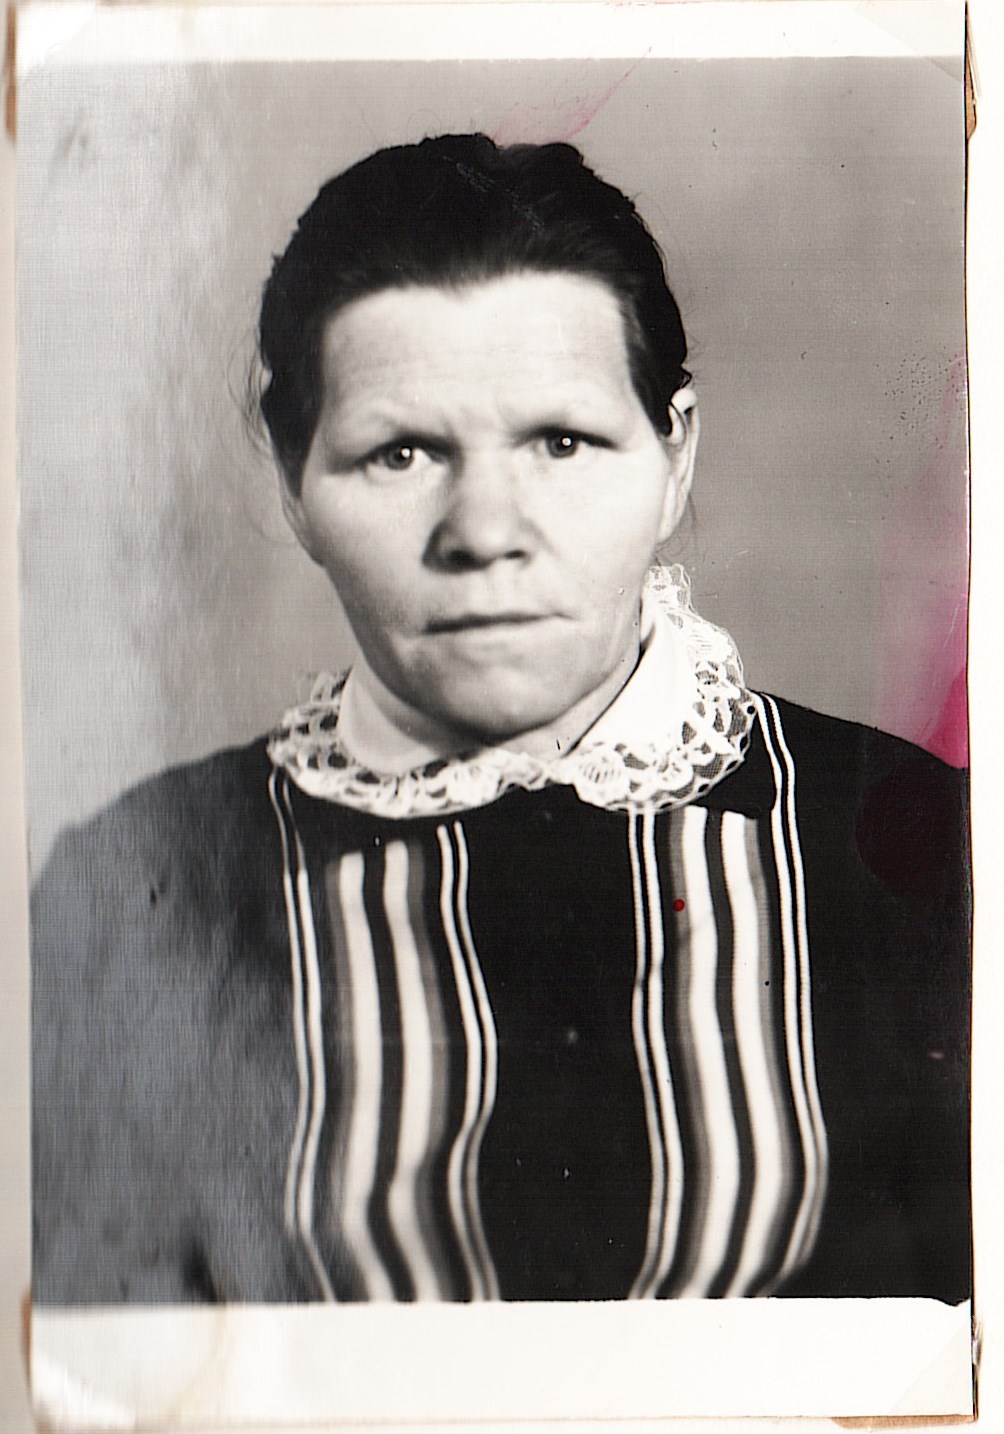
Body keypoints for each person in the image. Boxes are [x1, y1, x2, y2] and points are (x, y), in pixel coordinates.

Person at [31, 134, 970, 1306]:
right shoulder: (138, 886)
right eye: (399, 453)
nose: (484, 530)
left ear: (673, 456)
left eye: (560, 442)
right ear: (292, 483)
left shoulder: (920, 849)